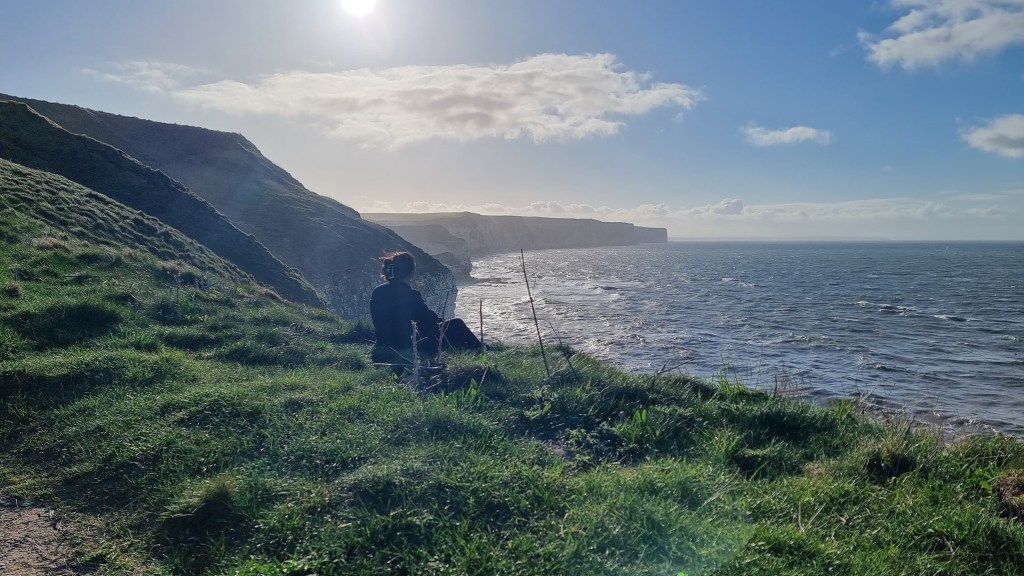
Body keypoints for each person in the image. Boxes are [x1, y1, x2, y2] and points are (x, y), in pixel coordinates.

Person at [369, 251, 481, 358]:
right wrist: (442, 321)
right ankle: (483, 350)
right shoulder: (410, 294)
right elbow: (428, 320)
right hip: (409, 345)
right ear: (411, 273)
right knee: (456, 324)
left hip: (384, 343)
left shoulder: (377, 291)